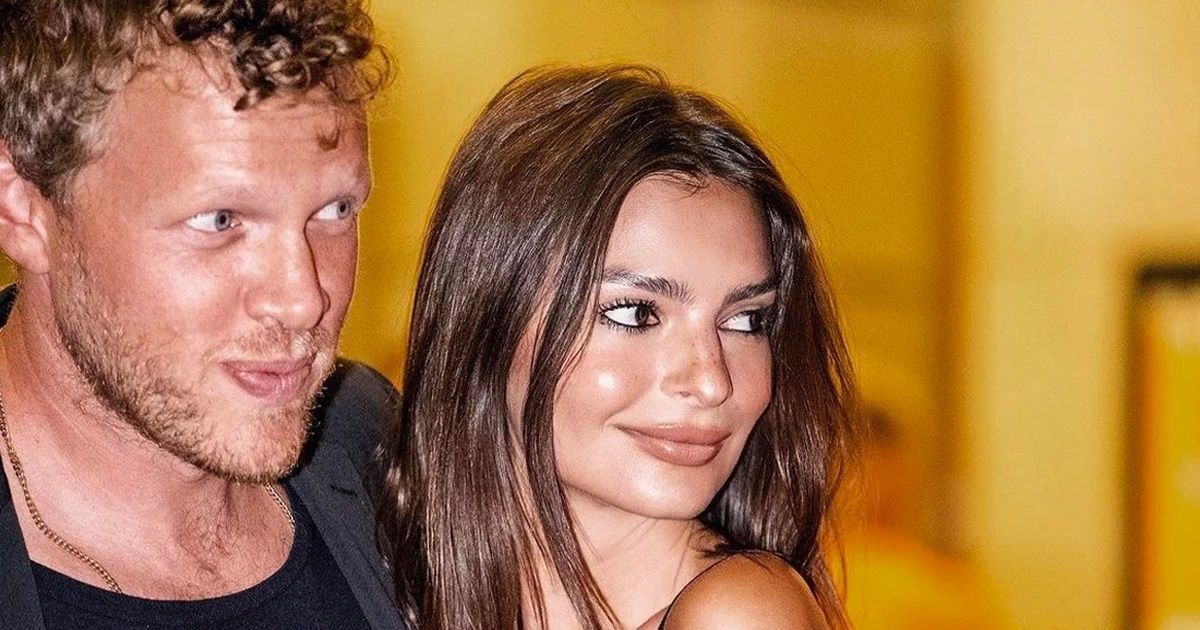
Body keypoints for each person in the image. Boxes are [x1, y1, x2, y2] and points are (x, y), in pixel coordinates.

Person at [379, 65, 857, 629]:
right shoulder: (377, 572)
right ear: (490, 316)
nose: (711, 381)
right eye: (636, 313)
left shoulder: (738, 614)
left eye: (746, 320)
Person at [0, 2, 401, 628]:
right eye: (220, 220)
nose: (303, 301)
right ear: (23, 209)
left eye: (335, 210)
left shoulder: (367, 437)